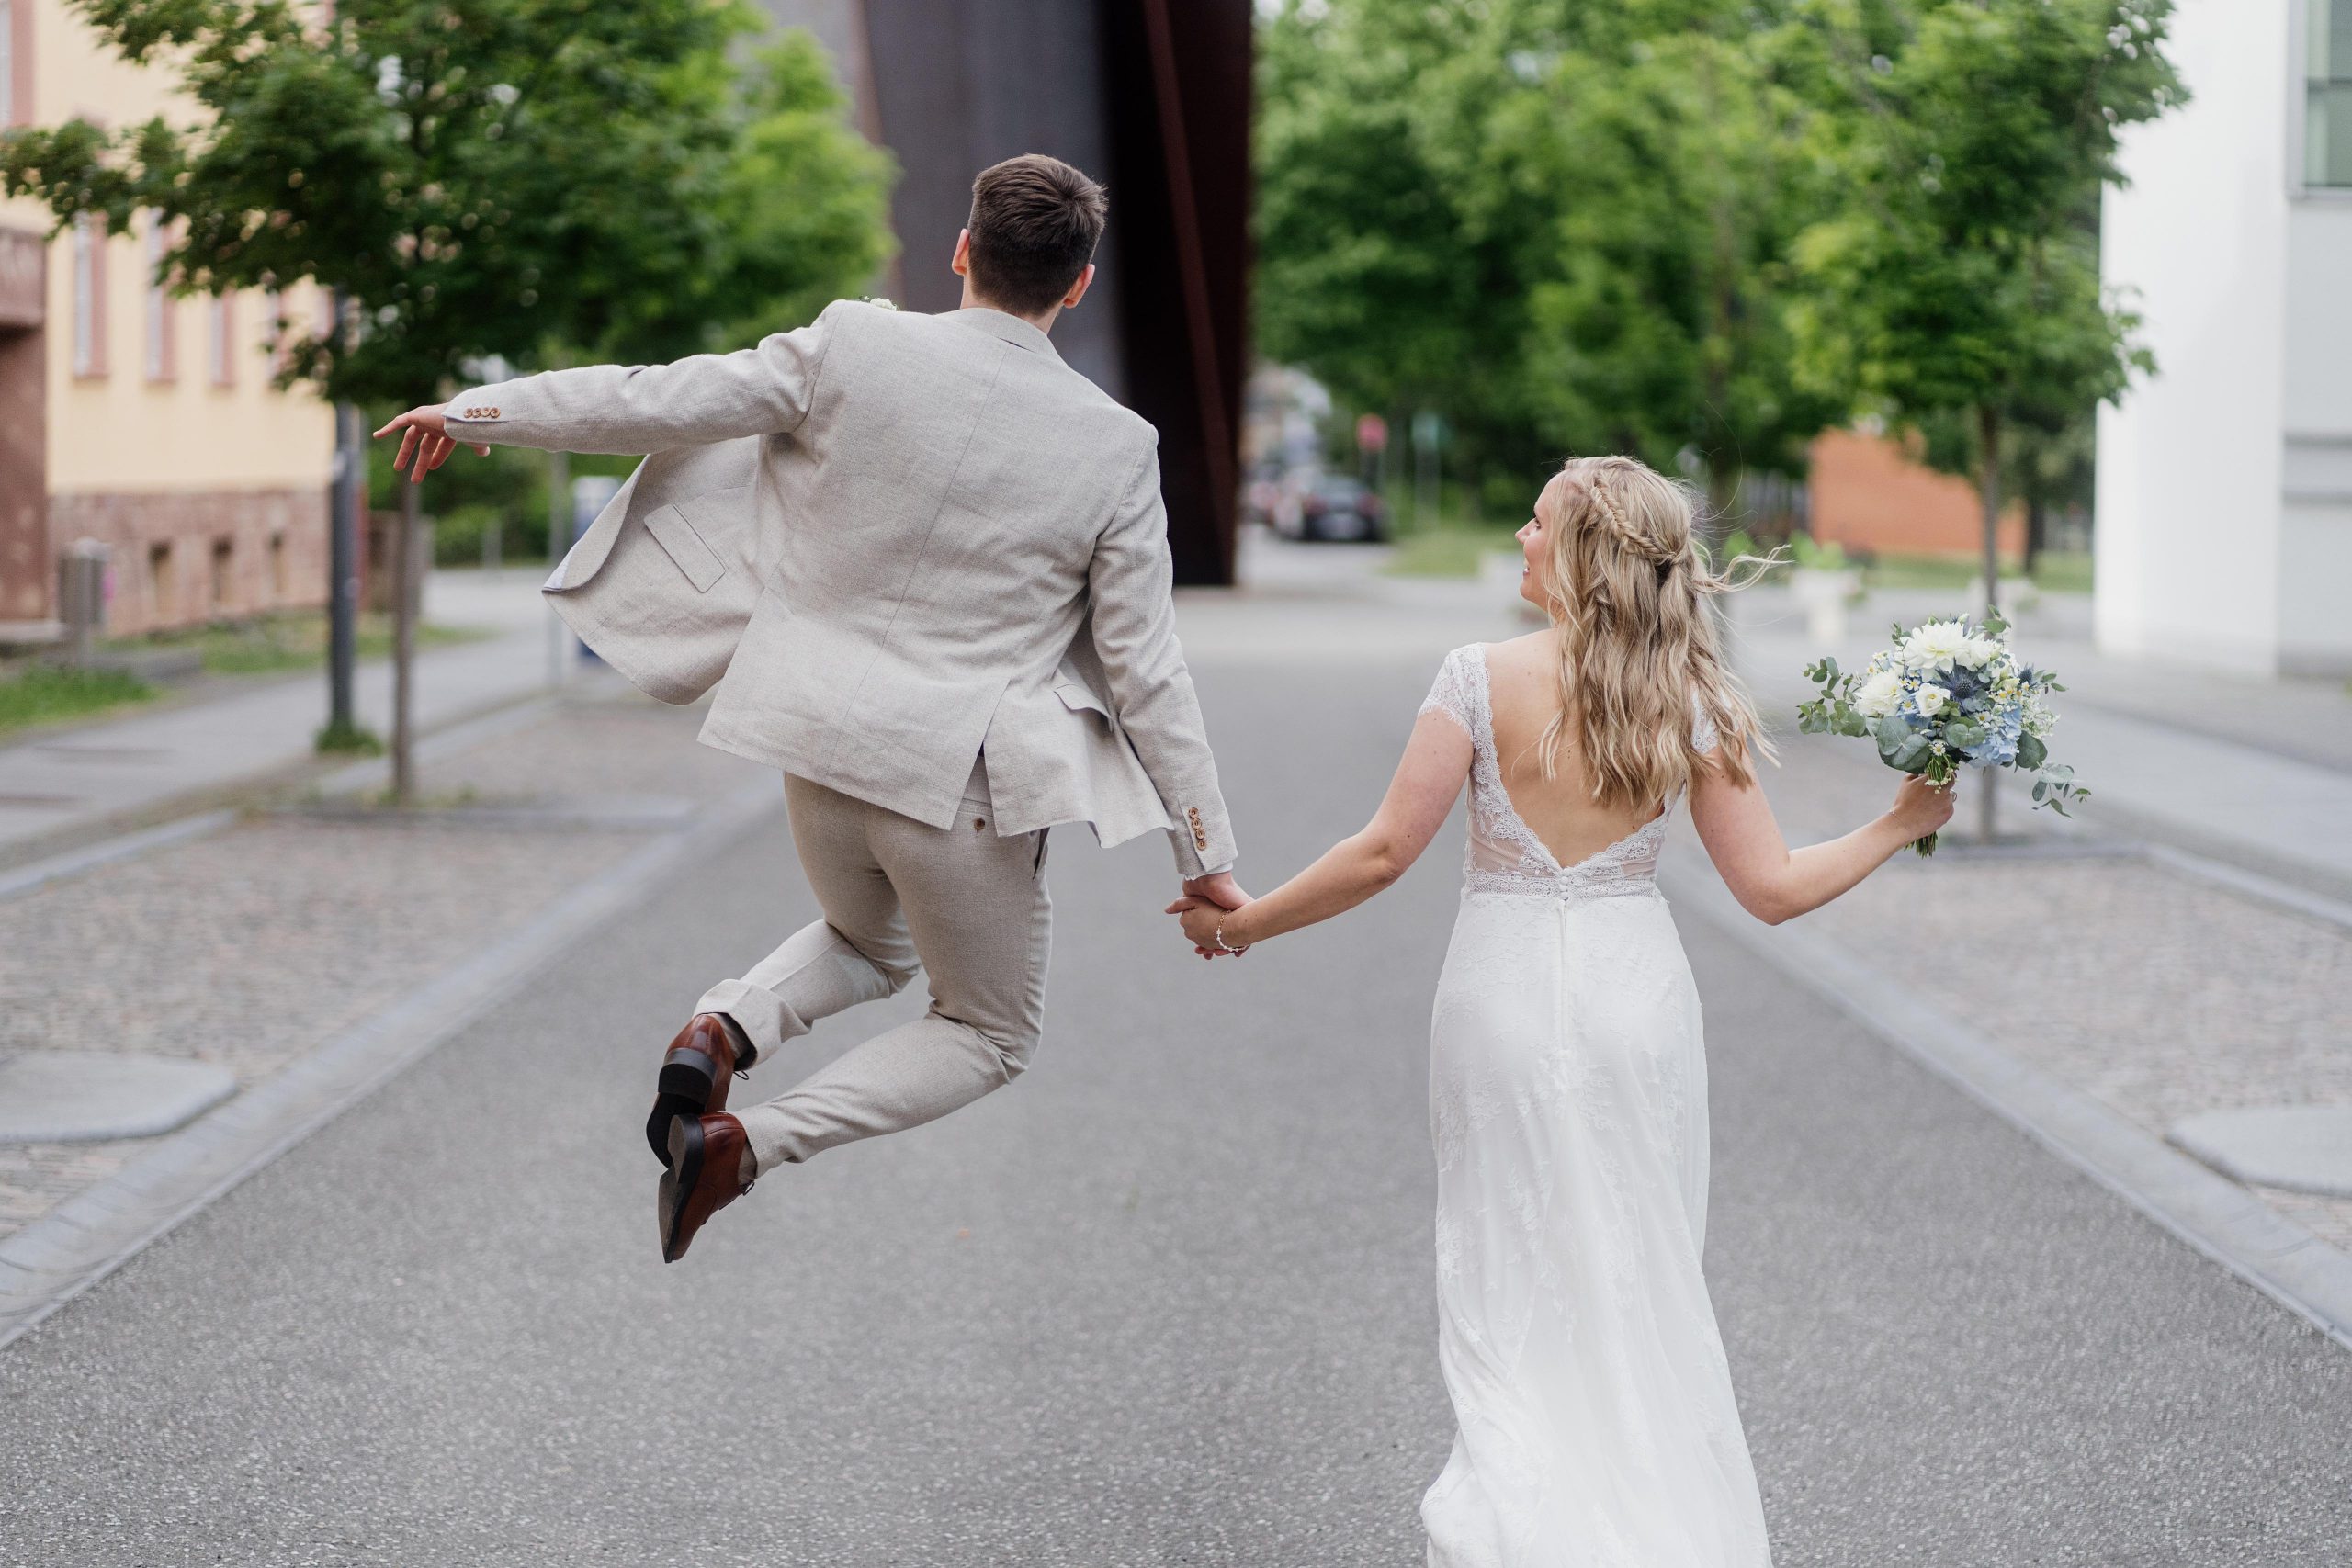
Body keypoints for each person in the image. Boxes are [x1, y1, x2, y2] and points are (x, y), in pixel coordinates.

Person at [377, 154, 1245, 1264]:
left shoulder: (852, 342)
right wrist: (1204, 852)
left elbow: (659, 393)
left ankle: (725, 1025)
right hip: (963, 788)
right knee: (985, 1032)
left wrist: (478, 411)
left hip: (817, 746)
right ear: (1076, 286)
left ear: (963, 251)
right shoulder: (1118, 447)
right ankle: (746, 1145)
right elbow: (1146, 667)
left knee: (863, 941)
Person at [1170, 455, 1953, 1567]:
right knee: (1640, 1267)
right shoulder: (1689, 699)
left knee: (1508, 1266)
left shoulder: (1475, 677)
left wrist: (1242, 924)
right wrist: (1893, 824)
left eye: (1536, 526)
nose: (1523, 540)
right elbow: (1771, 890)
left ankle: (1523, 1526)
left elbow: (1384, 851)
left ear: (1580, 555)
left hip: (1499, 995)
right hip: (1637, 1003)